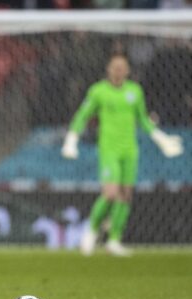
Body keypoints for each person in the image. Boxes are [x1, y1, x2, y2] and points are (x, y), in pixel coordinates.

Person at [61, 54, 183, 257]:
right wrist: (71, 140)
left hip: (130, 150)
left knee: (125, 195)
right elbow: (83, 115)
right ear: (108, 69)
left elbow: (143, 120)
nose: (118, 71)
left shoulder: (134, 92)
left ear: (127, 71)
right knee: (110, 193)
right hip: (109, 149)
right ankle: (91, 231)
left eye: (122, 68)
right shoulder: (98, 91)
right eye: (114, 67)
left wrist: (161, 139)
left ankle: (114, 240)